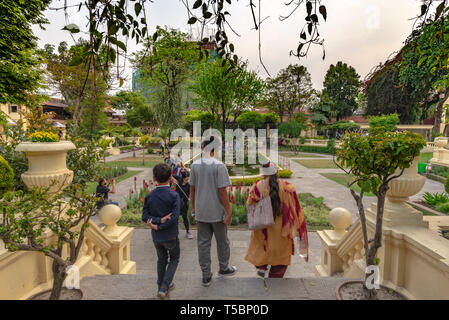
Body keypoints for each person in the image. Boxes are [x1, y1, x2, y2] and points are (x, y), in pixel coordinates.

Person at [245, 162, 309, 278]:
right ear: (277, 172)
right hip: (282, 231)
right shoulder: (288, 187)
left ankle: (262, 267)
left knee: (262, 248)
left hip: (263, 228)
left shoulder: (258, 186)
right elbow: (296, 209)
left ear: (263, 173)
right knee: (280, 257)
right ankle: (275, 279)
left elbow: (249, 204)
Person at [190, 136, 237, 287]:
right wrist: (228, 211)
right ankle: (224, 268)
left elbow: (192, 189)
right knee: (222, 242)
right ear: (217, 148)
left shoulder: (195, 165)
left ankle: (206, 276)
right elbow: (222, 191)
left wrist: (193, 208)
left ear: (203, 147)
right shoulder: (219, 166)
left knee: (203, 244)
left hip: (202, 212)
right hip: (217, 213)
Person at [142, 163, 181, 299]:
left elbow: (145, 217)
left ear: (154, 178)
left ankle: (161, 286)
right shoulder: (173, 195)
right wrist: (160, 222)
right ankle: (164, 287)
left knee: (161, 260)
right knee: (174, 258)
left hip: (157, 237)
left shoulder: (150, 196)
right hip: (170, 235)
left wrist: (157, 222)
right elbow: (175, 218)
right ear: (171, 177)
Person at [174, 170, 193, 239]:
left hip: (184, 203)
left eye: (188, 179)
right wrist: (173, 180)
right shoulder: (178, 179)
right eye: (186, 179)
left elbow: (191, 193)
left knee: (185, 217)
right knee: (175, 217)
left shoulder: (189, 184)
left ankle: (188, 232)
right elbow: (170, 175)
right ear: (182, 178)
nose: (187, 180)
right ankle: (174, 233)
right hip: (177, 202)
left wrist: (190, 197)